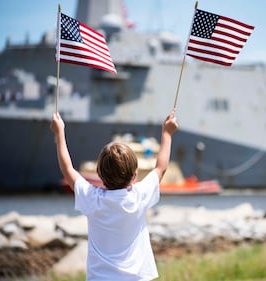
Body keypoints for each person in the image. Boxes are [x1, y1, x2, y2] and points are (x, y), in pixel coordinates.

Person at [50, 110, 178, 281]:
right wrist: (167, 133)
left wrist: (59, 134)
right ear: (134, 175)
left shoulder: (93, 199)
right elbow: (160, 168)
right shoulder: (139, 196)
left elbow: (67, 170)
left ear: (99, 175)